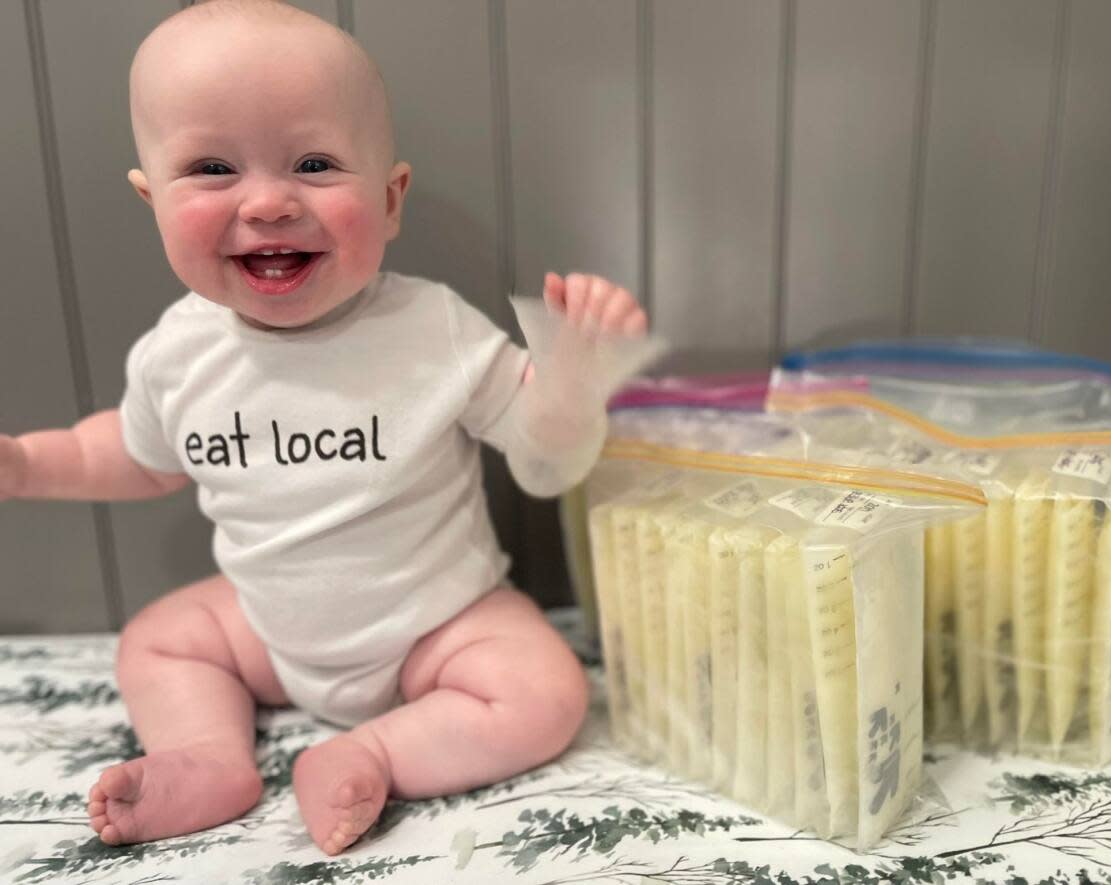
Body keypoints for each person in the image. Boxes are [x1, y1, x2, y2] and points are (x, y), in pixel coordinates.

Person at [0, 0, 651, 856]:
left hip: (437, 629)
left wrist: (571, 382)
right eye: (211, 167)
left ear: (389, 200)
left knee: (546, 690)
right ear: (151, 196)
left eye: (313, 163)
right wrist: (23, 464)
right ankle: (204, 756)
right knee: (157, 639)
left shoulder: (434, 330)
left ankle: (374, 750)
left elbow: (542, 459)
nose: (269, 202)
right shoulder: (179, 352)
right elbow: (128, 453)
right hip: (271, 633)